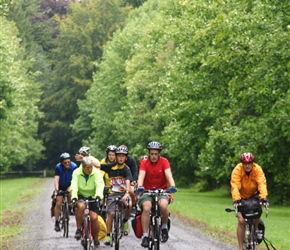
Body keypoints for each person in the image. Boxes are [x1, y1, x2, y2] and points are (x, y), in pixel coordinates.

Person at [137, 141, 177, 247]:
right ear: (149, 153)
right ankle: (145, 236)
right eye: (152, 154)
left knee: (163, 206)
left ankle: (164, 227)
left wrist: (172, 185)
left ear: (159, 153)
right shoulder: (144, 163)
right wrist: (140, 186)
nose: (154, 156)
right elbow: (141, 175)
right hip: (146, 191)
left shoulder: (164, 161)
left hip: (162, 190)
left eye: (156, 154)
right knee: (146, 208)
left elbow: (168, 174)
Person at [231, 152, 269, 250]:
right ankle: (240, 248)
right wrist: (236, 200)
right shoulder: (237, 170)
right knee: (241, 221)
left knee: (257, 212)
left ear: (253, 163)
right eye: (245, 163)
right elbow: (235, 185)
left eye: (249, 163)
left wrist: (263, 198)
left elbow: (262, 183)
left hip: (253, 195)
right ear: (242, 164)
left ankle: (256, 228)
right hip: (240, 197)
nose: (247, 166)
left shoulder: (257, 169)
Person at [100, 146, 133, 246]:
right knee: (110, 213)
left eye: (123, 156)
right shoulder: (111, 166)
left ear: (125, 158)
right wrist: (87, 160)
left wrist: (127, 193)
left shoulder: (126, 169)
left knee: (129, 204)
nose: (121, 158)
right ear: (116, 157)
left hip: (123, 193)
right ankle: (108, 235)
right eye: (119, 156)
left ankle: (125, 221)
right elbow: (98, 165)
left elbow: (127, 180)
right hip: (112, 194)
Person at [71, 157, 105, 249]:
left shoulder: (96, 173)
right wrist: (74, 197)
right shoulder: (76, 173)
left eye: (91, 167)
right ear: (83, 167)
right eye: (87, 167)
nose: (89, 169)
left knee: (94, 218)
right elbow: (73, 185)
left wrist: (98, 196)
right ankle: (79, 229)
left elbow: (100, 185)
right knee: (81, 207)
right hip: (81, 195)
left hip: (93, 196)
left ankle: (96, 240)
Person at [53, 152, 78, 231]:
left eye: (68, 162)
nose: (67, 163)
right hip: (61, 185)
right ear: (61, 163)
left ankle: (70, 206)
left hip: (69, 184)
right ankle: (57, 222)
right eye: (65, 162)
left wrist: (71, 187)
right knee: (58, 203)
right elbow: (56, 179)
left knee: (70, 192)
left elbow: (75, 179)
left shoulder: (74, 166)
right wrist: (57, 190)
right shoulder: (58, 167)